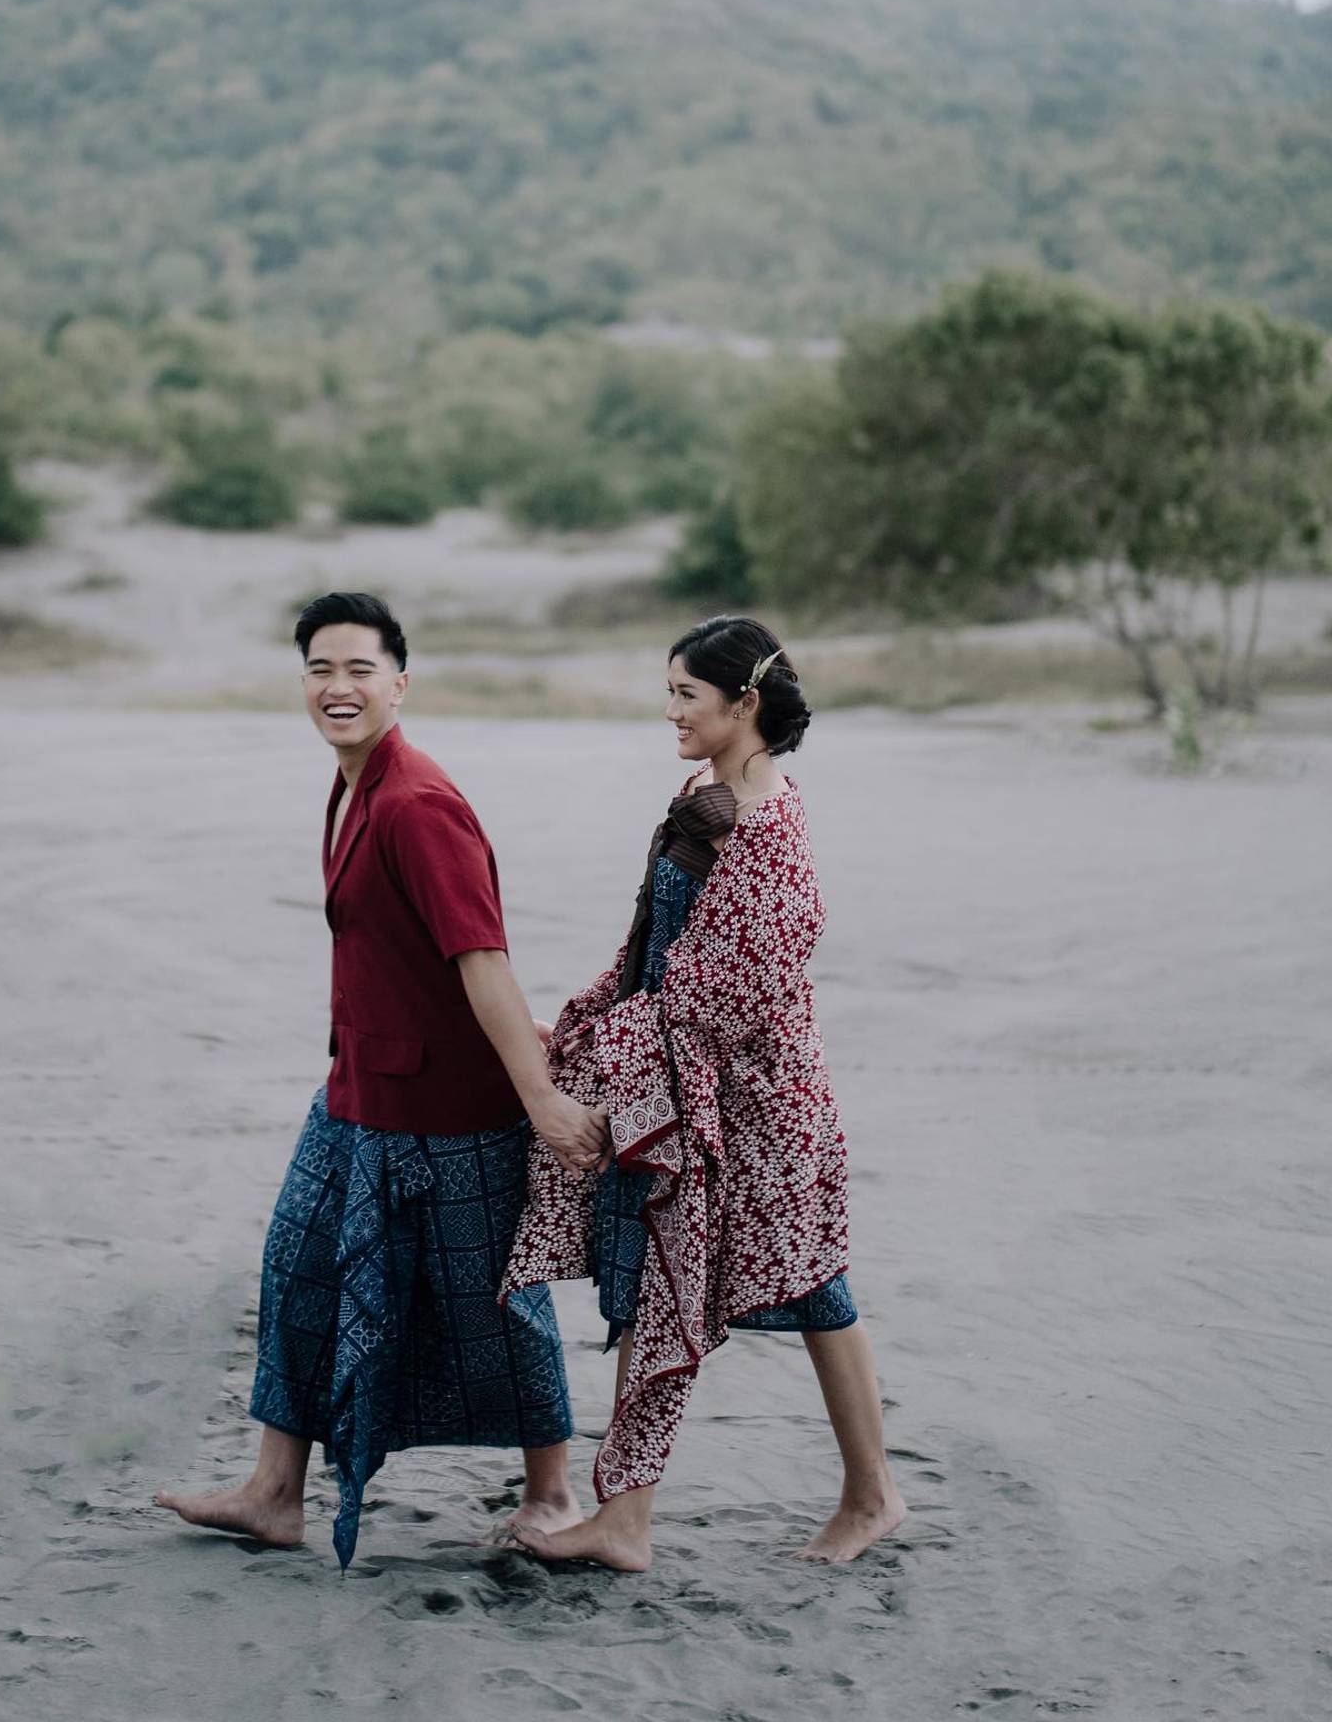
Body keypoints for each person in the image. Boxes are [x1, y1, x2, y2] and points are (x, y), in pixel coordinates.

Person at [156, 591, 607, 1567]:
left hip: (449, 1110)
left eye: (360, 668)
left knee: (495, 1298)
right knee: (297, 1269)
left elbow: (479, 957)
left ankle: (555, 1494)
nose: (337, 686)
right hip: (358, 1091)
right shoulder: (352, 783)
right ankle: (275, 1491)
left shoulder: (417, 802)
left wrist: (542, 1097)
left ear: (399, 684)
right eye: (320, 668)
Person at [500, 614, 905, 1572]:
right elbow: (650, 947)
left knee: (811, 1287)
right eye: (669, 692)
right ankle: (625, 1518)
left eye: (688, 694)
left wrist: (615, 1044)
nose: (671, 711)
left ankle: (872, 1497)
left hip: (760, 1107)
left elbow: (723, 999)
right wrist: (589, 1015)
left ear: (746, 704)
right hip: (683, 1091)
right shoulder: (705, 795)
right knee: (662, 1274)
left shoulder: (772, 836)